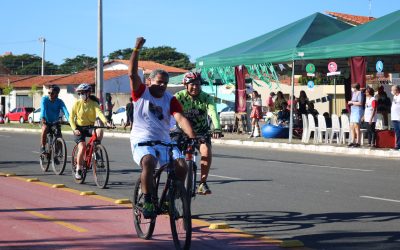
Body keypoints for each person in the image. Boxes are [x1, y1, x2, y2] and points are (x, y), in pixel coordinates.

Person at [129, 37, 196, 218]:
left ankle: (170, 198)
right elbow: (133, 74)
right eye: (159, 82)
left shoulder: (170, 99)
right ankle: (149, 200)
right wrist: (136, 49)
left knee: (182, 165)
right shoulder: (140, 93)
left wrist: (191, 137)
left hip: (164, 140)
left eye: (165, 83)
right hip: (142, 140)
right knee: (149, 162)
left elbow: (180, 118)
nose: (162, 85)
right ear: (149, 81)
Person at [175, 71, 222, 195]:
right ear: (185, 85)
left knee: (206, 150)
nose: (195, 87)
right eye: (192, 84)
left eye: (198, 84)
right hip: (181, 132)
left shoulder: (206, 98)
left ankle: (202, 183)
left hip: (201, 132)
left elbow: (213, 113)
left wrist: (216, 128)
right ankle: (176, 183)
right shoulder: (178, 97)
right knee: (175, 157)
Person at [69, 83, 112, 180]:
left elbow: (100, 113)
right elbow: (71, 118)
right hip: (79, 128)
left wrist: (106, 122)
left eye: (83, 93)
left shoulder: (94, 103)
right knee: (82, 147)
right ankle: (79, 169)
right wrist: (74, 129)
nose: (81, 95)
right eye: (79, 93)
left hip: (89, 127)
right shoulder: (77, 104)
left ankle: (96, 149)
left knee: (100, 130)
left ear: (88, 93)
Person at [40, 85, 70, 154]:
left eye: (52, 93)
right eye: (49, 93)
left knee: (59, 136)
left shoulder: (60, 102)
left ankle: (58, 153)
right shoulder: (44, 99)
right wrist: (43, 117)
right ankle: (43, 147)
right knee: (44, 128)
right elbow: (43, 109)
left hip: (55, 122)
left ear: (57, 94)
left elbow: (65, 111)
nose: (50, 94)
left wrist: (70, 121)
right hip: (45, 121)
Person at [348, 83, 364, 147]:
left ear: (355, 88)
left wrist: (352, 102)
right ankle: (352, 141)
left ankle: (358, 141)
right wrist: (350, 102)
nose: (352, 89)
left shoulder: (359, 93)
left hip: (358, 110)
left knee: (356, 126)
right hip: (353, 110)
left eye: (353, 87)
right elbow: (353, 101)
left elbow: (360, 103)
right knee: (352, 126)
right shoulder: (353, 93)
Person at [390, 85, 400, 150]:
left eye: (392, 90)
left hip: (399, 117)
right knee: (397, 132)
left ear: (397, 90)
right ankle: (398, 145)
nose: (391, 91)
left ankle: (398, 145)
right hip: (394, 117)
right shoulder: (394, 96)